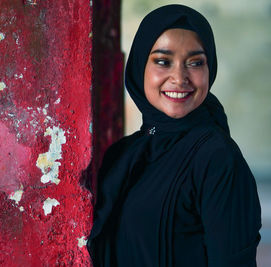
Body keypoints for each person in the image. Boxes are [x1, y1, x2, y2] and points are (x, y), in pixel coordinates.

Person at [87, 4, 261, 267]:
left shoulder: (216, 157)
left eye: (195, 62)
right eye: (162, 61)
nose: (179, 78)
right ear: (139, 67)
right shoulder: (121, 155)